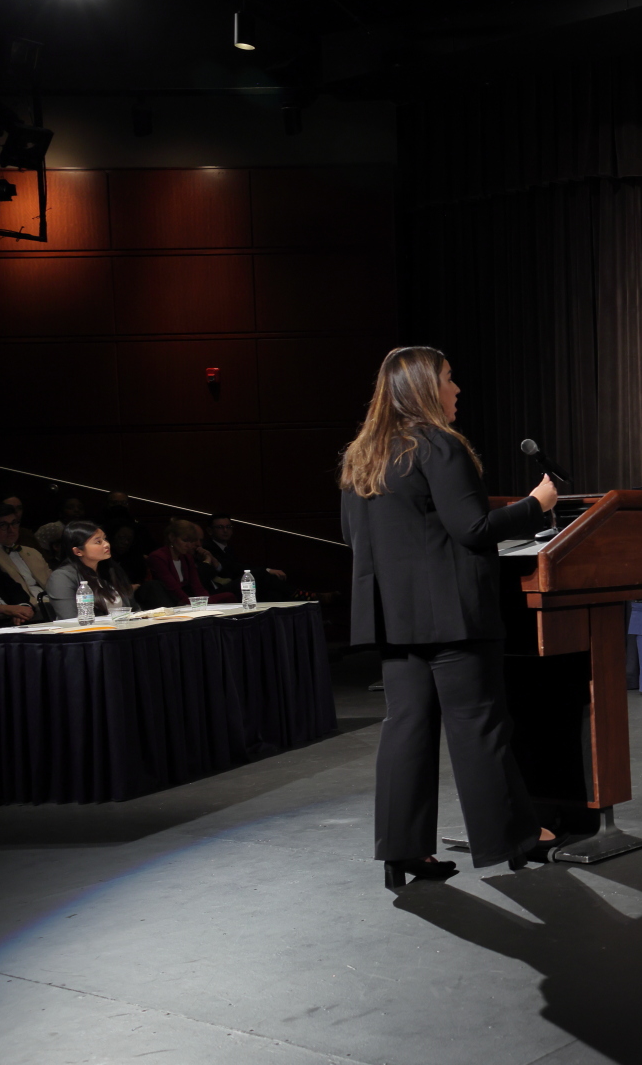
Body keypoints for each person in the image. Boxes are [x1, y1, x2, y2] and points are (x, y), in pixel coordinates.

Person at [340, 345, 560, 887]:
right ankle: (512, 838)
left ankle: (402, 849)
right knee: (478, 725)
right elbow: (473, 529)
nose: (456, 389)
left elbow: (356, 538)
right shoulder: (438, 445)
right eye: (448, 379)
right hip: (452, 616)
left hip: (395, 618)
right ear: (422, 388)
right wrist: (538, 505)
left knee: (406, 728)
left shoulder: (363, 454)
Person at [44, 522, 135, 621]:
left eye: (105, 539)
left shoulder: (111, 569)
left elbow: (133, 608)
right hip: (91, 634)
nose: (106, 544)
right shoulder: (62, 577)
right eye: (98, 542)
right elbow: (70, 619)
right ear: (78, 551)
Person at [204, 513, 288, 600]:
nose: (225, 530)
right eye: (220, 527)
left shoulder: (229, 548)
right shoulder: (207, 548)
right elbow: (231, 568)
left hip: (234, 583)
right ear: (210, 530)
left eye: (228, 527)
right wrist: (267, 570)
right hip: (220, 587)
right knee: (259, 574)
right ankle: (295, 594)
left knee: (270, 590)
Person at [143, 518, 220, 606]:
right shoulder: (158, 557)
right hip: (168, 602)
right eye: (185, 540)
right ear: (172, 537)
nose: (189, 545)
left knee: (228, 596)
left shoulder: (187, 557)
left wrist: (208, 602)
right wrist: (193, 603)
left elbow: (197, 586)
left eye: (191, 541)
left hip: (185, 600)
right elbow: (172, 588)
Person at [0, 504, 53, 607]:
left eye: (14, 523)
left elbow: (53, 581)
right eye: (3, 525)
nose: (11, 529)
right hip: (24, 607)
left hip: (51, 602)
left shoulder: (32, 552)